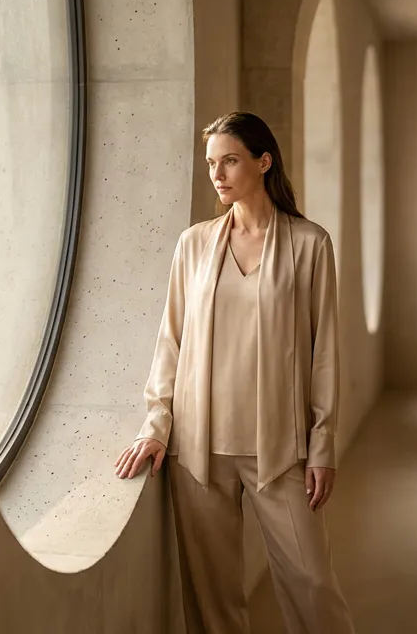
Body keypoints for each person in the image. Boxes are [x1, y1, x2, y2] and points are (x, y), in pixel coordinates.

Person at [114, 111, 356, 634]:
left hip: (282, 447)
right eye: (210, 164)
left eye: (229, 161)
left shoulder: (311, 245)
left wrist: (323, 444)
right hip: (199, 449)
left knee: (312, 587)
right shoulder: (194, 245)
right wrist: (155, 426)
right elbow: (170, 341)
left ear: (263, 161)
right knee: (213, 604)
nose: (217, 175)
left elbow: (325, 354)